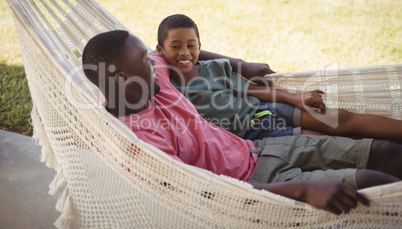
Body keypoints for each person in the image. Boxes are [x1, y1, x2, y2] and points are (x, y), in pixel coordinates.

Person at [82, 30, 401, 215]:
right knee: (373, 181)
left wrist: (240, 64)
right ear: (121, 78)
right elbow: (205, 194)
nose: (153, 62)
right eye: (142, 61)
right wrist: (302, 190)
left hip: (259, 147)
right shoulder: (139, 145)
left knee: (388, 153)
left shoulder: (155, 79)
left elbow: (164, 51)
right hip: (254, 186)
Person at [156, 14, 402, 143]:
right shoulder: (164, 84)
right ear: (160, 50)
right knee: (326, 141)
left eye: (191, 45)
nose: (185, 53)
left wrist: (296, 98)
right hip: (253, 134)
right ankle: (385, 152)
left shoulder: (214, 67)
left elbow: (252, 90)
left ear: (200, 45)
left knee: (341, 119)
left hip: (265, 107)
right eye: (175, 46)